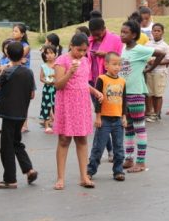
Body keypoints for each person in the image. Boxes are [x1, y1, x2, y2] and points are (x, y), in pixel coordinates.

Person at [53, 33, 103, 190]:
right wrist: (70, 72)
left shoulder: (86, 60)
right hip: (66, 103)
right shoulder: (62, 60)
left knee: (82, 140)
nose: (81, 53)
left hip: (81, 103)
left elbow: (83, 83)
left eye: (84, 50)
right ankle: (61, 178)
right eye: (78, 50)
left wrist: (95, 91)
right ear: (70, 45)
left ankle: (84, 176)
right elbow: (58, 85)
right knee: (64, 140)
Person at [0, 42, 38, 189]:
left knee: (6, 147)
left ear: (8, 55)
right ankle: (28, 169)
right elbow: (32, 94)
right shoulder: (29, 72)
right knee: (16, 142)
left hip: (9, 113)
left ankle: (10, 179)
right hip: (22, 113)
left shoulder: (8, 72)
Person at [120, 20, 164, 173]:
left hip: (136, 94)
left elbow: (161, 53)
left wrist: (150, 68)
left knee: (139, 128)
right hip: (124, 95)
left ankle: (141, 162)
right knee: (129, 128)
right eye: (121, 32)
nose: (122, 35)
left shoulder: (140, 49)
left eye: (125, 33)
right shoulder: (123, 49)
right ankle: (129, 158)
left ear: (133, 35)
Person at [87, 52, 127, 181]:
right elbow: (98, 99)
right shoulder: (102, 79)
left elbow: (124, 100)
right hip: (104, 119)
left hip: (118, 120)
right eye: (114, 64)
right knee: (98, 147)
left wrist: (124, 116)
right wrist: (98, 117)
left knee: (119, 148)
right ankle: (90, 170)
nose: (117, 67)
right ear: (106, 65)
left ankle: (118, 171)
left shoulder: (122, 81)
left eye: (119, 64)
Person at [88, 17, 123, 161]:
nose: (95, 37)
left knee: (108, 118)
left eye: (98, 34)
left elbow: (121, 58)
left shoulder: (115, 39)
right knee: (100, 118)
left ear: (104, 29)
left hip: (110, 83)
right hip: (94, 81)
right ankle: (109, 150)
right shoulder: (90, 41)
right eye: (93, 34)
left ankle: (113, 150)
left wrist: (105, 54)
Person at [145, 23, 169, 122]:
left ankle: (157, 113)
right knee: (149, 94)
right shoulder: (148, 44)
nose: (156, 33)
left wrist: (157, 62)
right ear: (151, 32)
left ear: (162, 32)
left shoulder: (165, 46)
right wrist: (148, 61)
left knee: (158, 94)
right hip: (149, 71)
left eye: (158, 31)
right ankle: (150, 112)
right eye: (154, 31)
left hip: (159, 72)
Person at [39, 45, 57, 134]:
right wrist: (46, 81)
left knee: (57, 106)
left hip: (56, 88)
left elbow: (60, 75)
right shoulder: (43, 66)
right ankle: (47, 126)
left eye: (51, 53)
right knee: (46, 106)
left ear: (55, 54)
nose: (49, 55)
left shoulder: (57, 65)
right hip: (47, 88)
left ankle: (57, 125)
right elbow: (41, 78)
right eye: (47, 53)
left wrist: (55, 79)